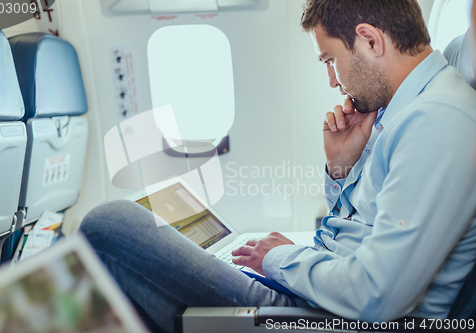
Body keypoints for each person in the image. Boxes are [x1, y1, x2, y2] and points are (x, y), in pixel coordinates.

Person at [80, 0, 476, 332]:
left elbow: (377, 295)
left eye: (330, 60)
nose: (333, 82)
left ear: (370, 40)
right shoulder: (403, 108)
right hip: (321, 295)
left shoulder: (436, 121)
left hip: (331, 318)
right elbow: (358, 232)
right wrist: (340, 170)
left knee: (110, 225)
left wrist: (278, 259)